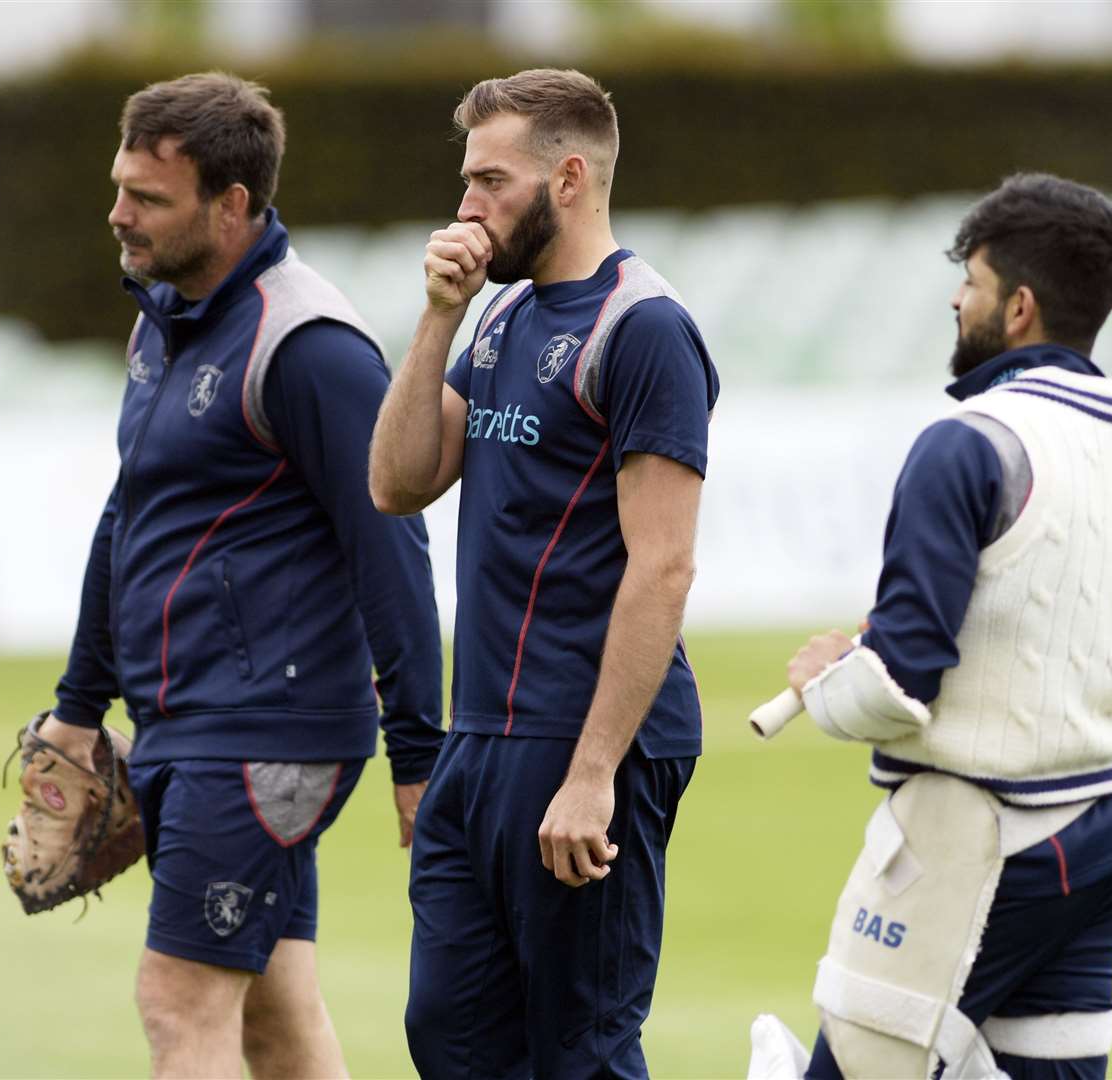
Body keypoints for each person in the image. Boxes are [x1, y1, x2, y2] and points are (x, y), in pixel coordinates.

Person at [35, 72, 444, 1078]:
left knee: (178, 1004)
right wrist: (77, 707)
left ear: (231, 205)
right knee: (274, 1013)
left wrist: (419, 753)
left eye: (148, 198)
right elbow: (131, 516)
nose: (118, 215)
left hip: (267, 731)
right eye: (121, 187)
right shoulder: (162, 321)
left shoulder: (309, 344)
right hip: (191, 723)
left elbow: (391, 540)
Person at [784, 173, 1112, 1079]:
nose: (954, 298)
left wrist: (826, 682)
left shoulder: (965, 442)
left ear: (1016, 306)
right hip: (1104, 828)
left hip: (977, 839)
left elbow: (899, 680)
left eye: (968, 280)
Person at [368, 68, 719, 1077]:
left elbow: (662, 567)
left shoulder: (643, 328)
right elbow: (395, 484)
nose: (467, 203)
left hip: (583, 744)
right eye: (466, 180)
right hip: (477, 740)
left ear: (567, 178)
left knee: (582, 1052)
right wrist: (438, 313)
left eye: (490, 180)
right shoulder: (501, 318)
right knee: (449, 1037)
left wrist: (594, 773)